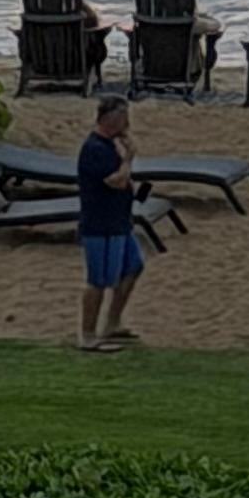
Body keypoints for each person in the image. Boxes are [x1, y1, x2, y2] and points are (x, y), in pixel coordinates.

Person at [77, 93, 144, 349]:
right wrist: (129, 157)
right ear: (111, 119)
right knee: (99, 280)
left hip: (119, 221)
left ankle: (112, 323)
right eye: (124, 117)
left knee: (133, 266)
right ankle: (88, 334)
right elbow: (115, 180)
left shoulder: (109, 145)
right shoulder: (95, 148)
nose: (127, 123)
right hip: (100, 224)